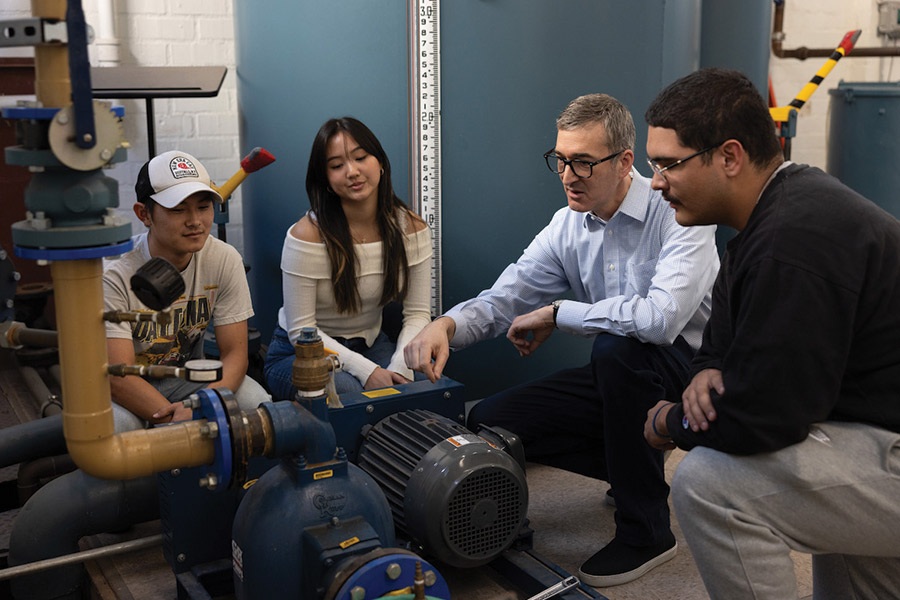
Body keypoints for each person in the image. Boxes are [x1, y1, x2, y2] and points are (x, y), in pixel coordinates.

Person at [404, 94, 720, 586]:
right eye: (561, 160)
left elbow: (661, 321)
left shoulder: (676, 211)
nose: (569, 175)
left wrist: (559, 312)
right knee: (492, 422)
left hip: (689, 370)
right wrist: (447, 324)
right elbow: (508, 296)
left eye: (584, 163)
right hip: (620, 378)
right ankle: (634, 465)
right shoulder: (566, 226)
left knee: (619, 349)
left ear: (623, 162)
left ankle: (647, 532)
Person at [643, 68, 900, 599]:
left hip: (886, 444)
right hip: (875, 429)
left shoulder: (794, 239)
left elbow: (767, 419)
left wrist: (670, 422)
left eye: (669, 164)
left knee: (712, 486)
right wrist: (707, 366)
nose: (656, 182)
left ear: (729, 156)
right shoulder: (778, 212)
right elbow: (725, 327)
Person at [264, 117, 431, 399]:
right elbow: (300, 331)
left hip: (369, 344)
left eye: (360, 157)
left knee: (423, 383)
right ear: (327, 180)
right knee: (349, 395)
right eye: (337, 165)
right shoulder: (306, 235)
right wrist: (367, 372)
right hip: (300, 354)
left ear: (380, 163)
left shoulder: (411, 228)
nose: (352, 172)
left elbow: (417, 314)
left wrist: (402, 367)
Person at [104, 150, 271, 432]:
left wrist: (204, 405)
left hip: (189, 378)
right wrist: (177, 420)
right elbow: (118, 377)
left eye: (203, 207)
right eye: (178, 209)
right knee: (117, 428)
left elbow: (235, 355)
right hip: (128, 386)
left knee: (256, 402)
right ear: (144, 214)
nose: (195, 221)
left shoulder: (224, 258)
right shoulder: (115, 273)